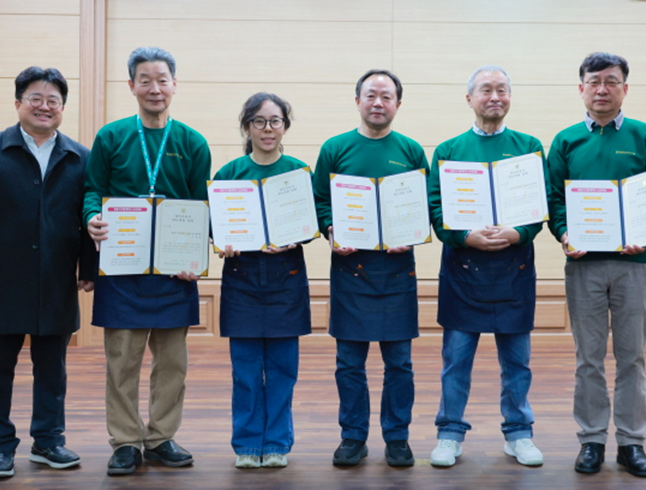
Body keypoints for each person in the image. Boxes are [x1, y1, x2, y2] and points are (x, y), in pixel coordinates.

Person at [0, 66, 95, 479]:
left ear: (62, 108)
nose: (44, 106)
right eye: (35, 98)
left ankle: (48, 441)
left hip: (56, 280)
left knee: (52, 370)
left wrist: (90, 267)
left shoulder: (80, 156)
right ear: (18, 104)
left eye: (53, 100)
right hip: (0, 278)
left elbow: (90, 216)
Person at [84, 47, 211, 476]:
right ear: (131, 86)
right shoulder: (111, 136)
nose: (154, 88)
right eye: (145, 80)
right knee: (122, 361)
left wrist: (196, 256)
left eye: (162, 80)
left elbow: (200, 206)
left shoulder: (192, 142)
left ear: (175, 85)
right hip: (122, 267)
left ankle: (160, 437)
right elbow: (91, 190)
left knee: (173, 362)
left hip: (175, 272)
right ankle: (124, 441)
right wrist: (91, 218)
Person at [547, 52, 646, 478]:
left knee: (632, 357)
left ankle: (632, 442)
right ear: (581, 88)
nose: (602, 89)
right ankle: (591, 441)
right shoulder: (565, 140)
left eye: (611, 81)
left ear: (625, 87)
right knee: (588, 358)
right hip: (584, 265)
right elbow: (553, 201)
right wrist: (564, 234)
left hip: (634, 264)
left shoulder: (644, 136)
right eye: (594, 81)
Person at [426, 66, 546, 468]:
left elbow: (539, 207)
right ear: (470, 98)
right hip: (464, 273)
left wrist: (519, 233)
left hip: (513, 272)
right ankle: (449, 433)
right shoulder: (448, 150)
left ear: (510, 98)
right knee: (456, 361)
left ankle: (519, 433)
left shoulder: (529, 146)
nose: (494, 97)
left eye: (502, 90)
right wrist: (463, 237)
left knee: (517, 363)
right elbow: (436, 209)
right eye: (486, 90)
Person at [312, 69, 428, 467]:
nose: (378, 103)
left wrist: (412, 232)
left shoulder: (411, 151)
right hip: (350, 269)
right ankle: (353, 437)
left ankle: (397, 437)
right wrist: (330, 229)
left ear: (397, 103)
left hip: (397, 270)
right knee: (349, 363)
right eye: (371, 95)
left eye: (386, 96)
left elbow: (423, 206)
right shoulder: (335, 148)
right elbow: (319, 201)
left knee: (400, 363)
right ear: (357, 100)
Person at [213, 93, 312, 469]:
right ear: (246, 127)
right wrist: (223, 243)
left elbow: (311, 222)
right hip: (242, 282)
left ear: (285, 126)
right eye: (259, 121)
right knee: (247, 371)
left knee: (284, 371)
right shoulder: (229, 174)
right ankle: (246, 444)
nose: (267, 129)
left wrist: (296, 236)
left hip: (286, 280)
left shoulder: (298, 171)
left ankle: (277, 444)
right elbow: (215, 228)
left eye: (275, 121)